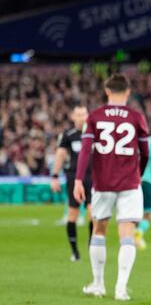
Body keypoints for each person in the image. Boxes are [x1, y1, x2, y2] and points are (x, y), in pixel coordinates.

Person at [74, 73, 150, 301]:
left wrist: (79, 180)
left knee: (99, 230)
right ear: (127, 92)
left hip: (102, 183)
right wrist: (139, 172)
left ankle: (98, 284)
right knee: (126, 234)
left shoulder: (95, 116)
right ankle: (121, 288)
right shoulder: (137, 117)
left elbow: (86, 150)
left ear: (107, 91)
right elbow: (144, 152)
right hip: (129, 182)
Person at [50, 104, 92, 261]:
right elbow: (60, 155)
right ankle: (75, 251)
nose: (82, 118)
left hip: (92, 178)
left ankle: (91, 245)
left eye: (84, 114)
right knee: (72, 214)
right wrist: (55, 176)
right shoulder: (68, 135)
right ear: (73, 117)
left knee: (93, 213)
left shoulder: (95, 133)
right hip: (73, 178)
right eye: (78, 115)